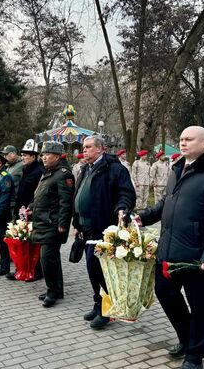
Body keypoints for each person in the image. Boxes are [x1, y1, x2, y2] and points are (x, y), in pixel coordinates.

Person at [135, 126, 204, 369]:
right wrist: (144, 217)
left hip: (197, 255)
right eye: (181, 139)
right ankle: (187, 337)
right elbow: (166, 202)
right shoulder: (178, 168)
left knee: (200, 305)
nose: (183, 143)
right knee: (165, 293)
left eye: (189, 139)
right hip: (169, 251)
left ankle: (195, 356)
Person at [72, 135, 136, 330]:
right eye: (84, 147)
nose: (85, 150)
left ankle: (106, 311)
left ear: (101, 149)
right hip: (86, 227)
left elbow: (126, 193)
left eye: (89, 147)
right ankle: (98, 303)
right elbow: (80, 195)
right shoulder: (85, 168)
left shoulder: (114, 169)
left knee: (101, 270)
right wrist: (77, 222)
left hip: (103, 227)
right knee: (92, 269)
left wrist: (122, 207)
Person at [29, 141, 75, 307]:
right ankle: (57, 289)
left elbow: (65, 201)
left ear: (56, 156)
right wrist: (31, 208)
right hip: (43, 221)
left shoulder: (63, 174)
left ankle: (52, 292)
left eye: (47, 154)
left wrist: (63, 222)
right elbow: (43, 196)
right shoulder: (49, 172)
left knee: (47, 258)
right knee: (52, 258)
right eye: (42, 155)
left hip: (52, 224)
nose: (43, 157)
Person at [6, 139, 44, 281]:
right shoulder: (25, 169)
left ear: (33, 156)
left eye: (26, 155)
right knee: (21, 240)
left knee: (32, 242)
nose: (23, 157)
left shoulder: (39, 171)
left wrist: (32, 208)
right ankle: (21, 268)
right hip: (21, 210)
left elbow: (38, 193)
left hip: (31, 211)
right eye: (22, 155)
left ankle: (36, 271)